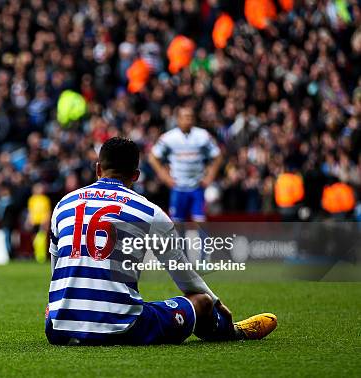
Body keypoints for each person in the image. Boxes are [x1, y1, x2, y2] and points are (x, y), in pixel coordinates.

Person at [45, 137, 276, 345]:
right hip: (120, 327)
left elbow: (56, 271)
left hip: (57, 328)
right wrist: (216, 303)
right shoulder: (149, 212)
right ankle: (230, 332)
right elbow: (183, 275)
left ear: (98, 169)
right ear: (135, 175)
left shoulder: (64, 204)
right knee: (201, 302)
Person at [149, 105, 222, 222]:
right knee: (177, 225)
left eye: (191, 117)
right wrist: (165, 177)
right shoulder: (169, 138)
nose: (189, 120)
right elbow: (153, 157)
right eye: (185, 117)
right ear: (178, 119)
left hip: (197, 186)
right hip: (178, 187)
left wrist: (210, 177)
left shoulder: (202, 135)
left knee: (201, 223)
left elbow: (217, 156)